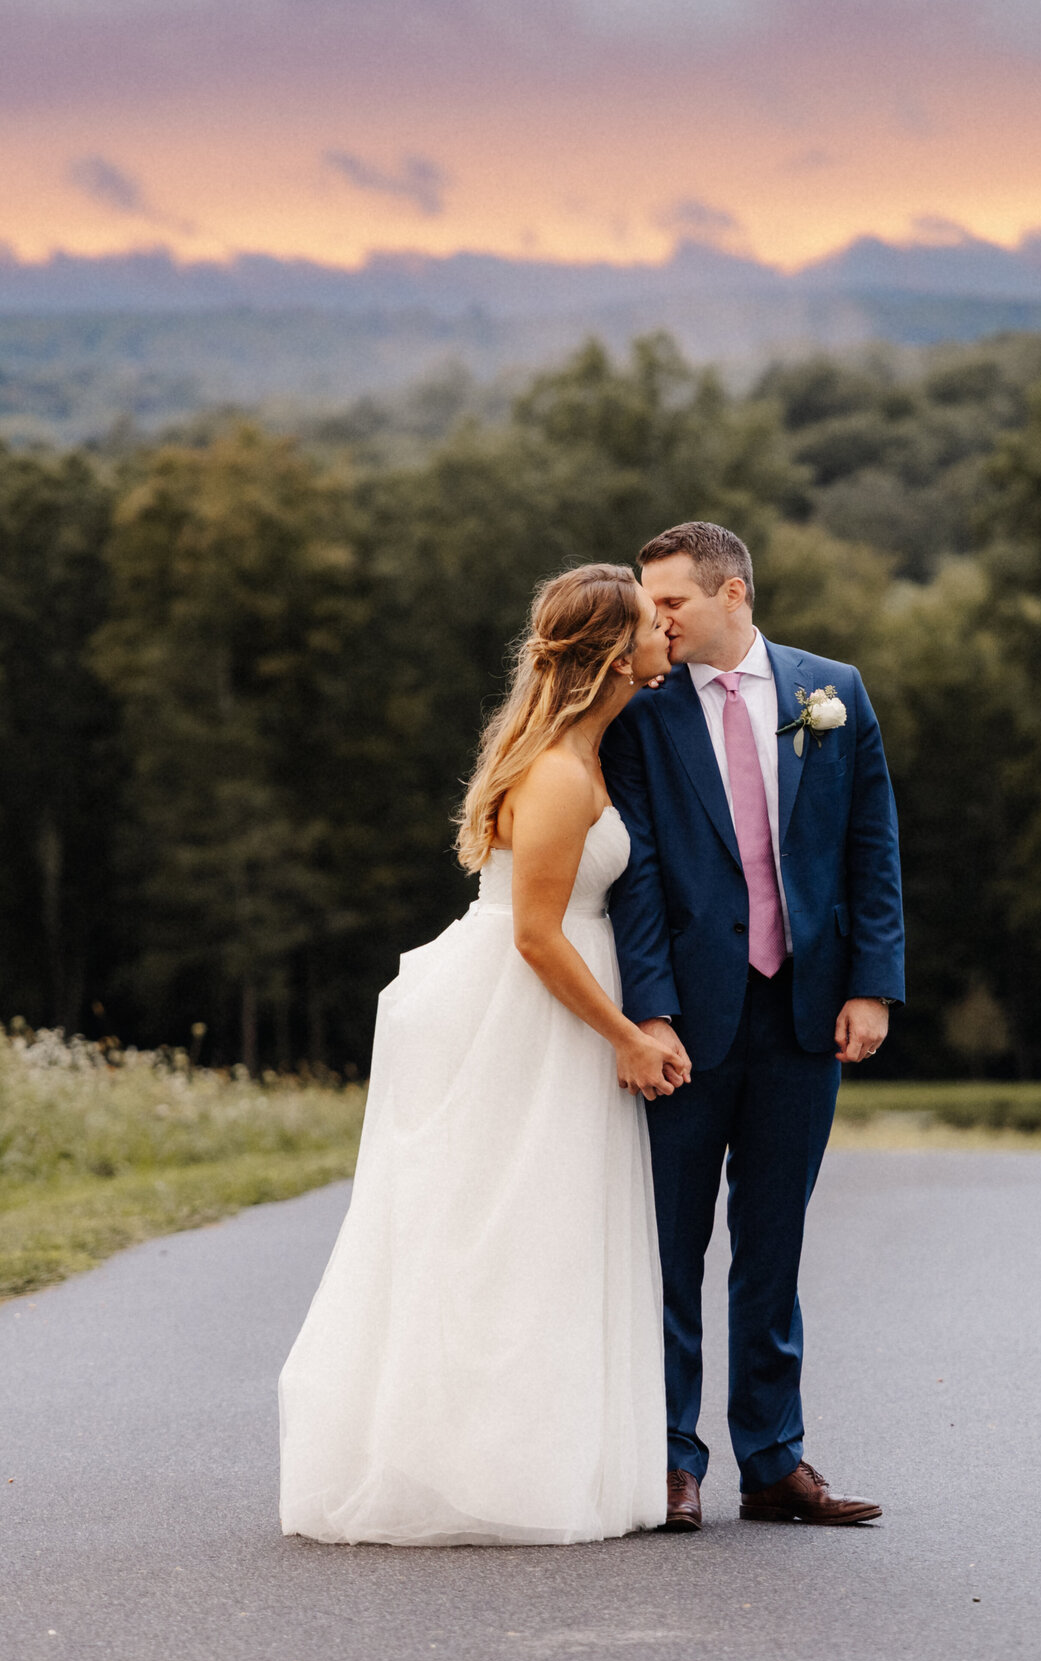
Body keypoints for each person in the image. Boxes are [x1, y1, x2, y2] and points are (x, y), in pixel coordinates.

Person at [279, 563, 682, 1546]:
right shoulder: (553, 772)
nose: (668, 633)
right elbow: (536, 933)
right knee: (504, 1228)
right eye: (650, 623)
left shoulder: (584, 755)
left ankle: (530, 1455)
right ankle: (477, 1470)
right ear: (612, 654)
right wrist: (625, 1035)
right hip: (529, 1013)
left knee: (539, 1232)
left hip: (554, 1007)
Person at [601, 521, 904, 1532]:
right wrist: (649, 1009)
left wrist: (873, 985)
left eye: (671, 602)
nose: (656, 619)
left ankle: (774, 1461)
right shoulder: (641, 714)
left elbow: (871, 847)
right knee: (672, 1246)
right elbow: (636, 875)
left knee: (773, 1244)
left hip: (805, 1012)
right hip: (686, 1018)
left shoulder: (835, 693)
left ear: (733, 595)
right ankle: (673, 1459)